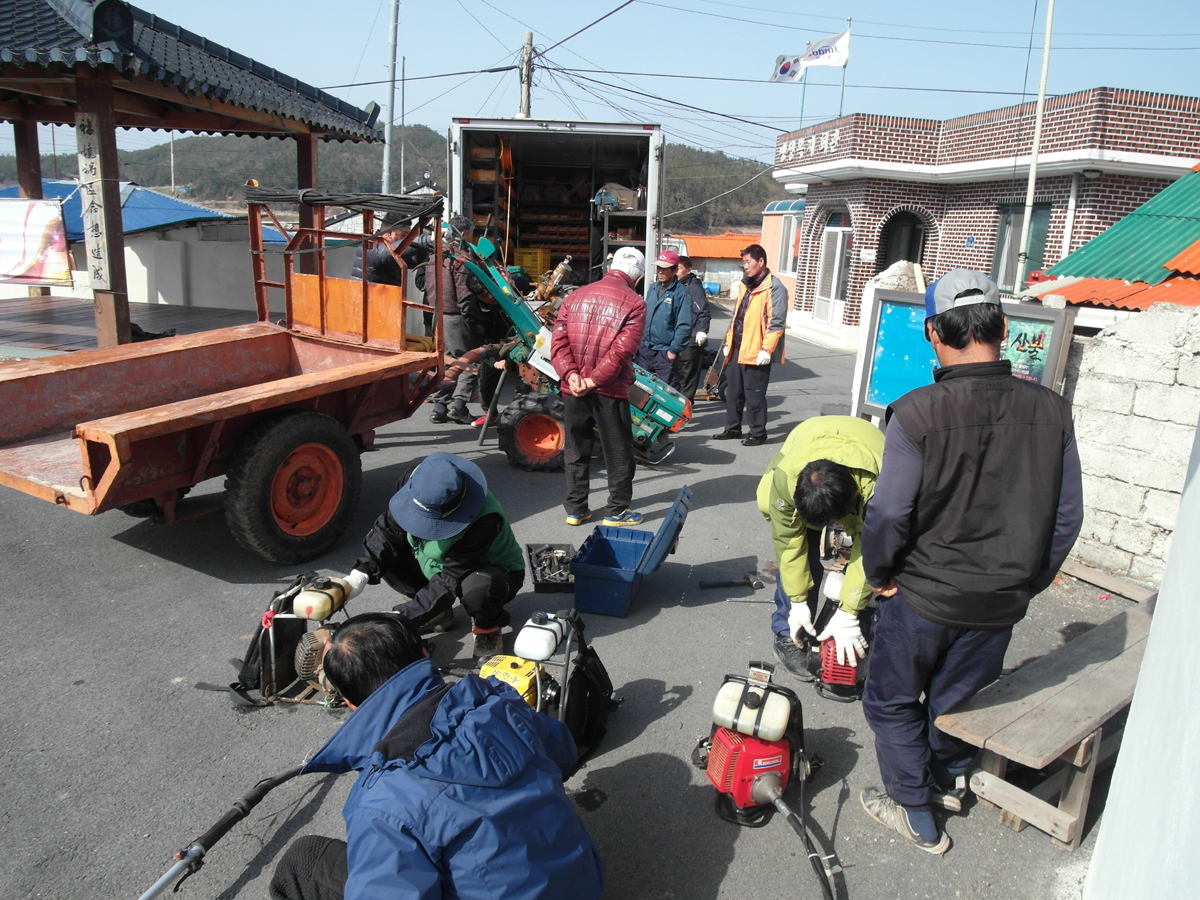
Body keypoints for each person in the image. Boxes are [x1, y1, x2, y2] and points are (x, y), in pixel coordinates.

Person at [858, 268, 1083, 855]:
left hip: (921, 597)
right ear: (1004, 327)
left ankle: (914, 809)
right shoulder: (1054, 412)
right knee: (960, 699)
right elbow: (1066, 518)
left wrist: (879, 574)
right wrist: (1027, 584)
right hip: (999, 601)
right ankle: (950, 781)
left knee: (892, 698)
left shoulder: (915, 412)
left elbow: (888, 515)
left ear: (933, 333)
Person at [270, 613, 604, 900]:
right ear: (424, 653)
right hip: (585, 885)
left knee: (302, 862)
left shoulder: (384, 800)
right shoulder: (497, 700)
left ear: (352, 704)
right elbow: (563, 751)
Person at [352, 452, 526, 661]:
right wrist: (357, 576)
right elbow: (388, 531)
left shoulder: (484, 519)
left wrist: (399, 619)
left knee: (478, 589)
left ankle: (487, 626)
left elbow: (451, 577)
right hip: (434, 562)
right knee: (388, 554)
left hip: (491, 572)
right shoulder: (414, 481)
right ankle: (435, 612)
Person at [756, 416, 884, 680]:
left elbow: (869, 549)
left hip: (867, 447)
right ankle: (788, 634)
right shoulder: (783, 484)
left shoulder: (880, 489)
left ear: (854, 497)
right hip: (806, 435)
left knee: (884, 561)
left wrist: (849, 612)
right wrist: (798, 601)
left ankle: (864, 625)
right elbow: (789, 546)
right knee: (802, 558)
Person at [550, 246, 647, 528]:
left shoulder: (574, 296)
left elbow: (559, 343)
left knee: (576, 448)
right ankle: (617, 511)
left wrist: (571, 375)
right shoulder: (635, 303)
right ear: (638, 277)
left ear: (609, 267)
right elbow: (621, 352)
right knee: (617, 450)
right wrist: (594, 380)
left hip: (574, 389)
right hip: (609, 389)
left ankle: (576, 509)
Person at [714, 244, 788, 446]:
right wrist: (729, 342)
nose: (744, 266)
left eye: (748, 262)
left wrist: (767, 349)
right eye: (743, 263)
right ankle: (732, 428)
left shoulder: (774, 287)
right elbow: (737, 317)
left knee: (754, 396)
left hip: (757, 350)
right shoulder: (746, 285)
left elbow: (777, 322)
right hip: (739, 346)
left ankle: (757, 433)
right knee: (734, 392)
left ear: (761, 262)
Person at [430, 215, 484, 425]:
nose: (473, 238)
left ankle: (439, 407)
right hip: (455, 316)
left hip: (437, 314)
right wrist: (472, 317)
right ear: (463, 234)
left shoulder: (436, 255)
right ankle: (459, 406)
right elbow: (464, 293)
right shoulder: (460, 258)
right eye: (471, 233)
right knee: (468, 360)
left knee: (445, 362)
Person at [636, 250, 692, 390]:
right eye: (659, 267)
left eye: (665, 268)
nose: (660, 271)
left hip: (665, 352)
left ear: (674, 270)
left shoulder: (681, 293)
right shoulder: (653, 288)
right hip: (646, 349)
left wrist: (673, 351)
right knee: (642, 389)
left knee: (664, 392)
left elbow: (684, 326)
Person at [673, 255, 711, 401]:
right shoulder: (676, 286)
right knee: (677, 374)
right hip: (677, 338)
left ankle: (684, 408)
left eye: (679, 268)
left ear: (688, 270)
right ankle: (676, 406)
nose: (676, 271)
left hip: (691, 339)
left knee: (688, 377)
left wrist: (702, 330)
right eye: (674, 268)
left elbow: (703, 311)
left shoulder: (694, 288)